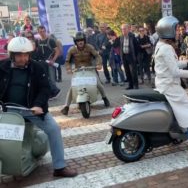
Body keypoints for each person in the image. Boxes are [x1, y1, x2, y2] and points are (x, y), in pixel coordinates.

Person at [0, 37, 78, 177]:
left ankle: (59, 167)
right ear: (12, 55)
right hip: (7, 110)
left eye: (26, 55)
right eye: (19, 55)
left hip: (31, 110)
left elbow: (45, 89)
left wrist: (37, 105)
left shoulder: (37, 67)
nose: (23, 58)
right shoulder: (2, 66)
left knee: (54, 129)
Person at [154, 16, 188, 159]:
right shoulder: (166, 48)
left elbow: (169, 66)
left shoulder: (160, 45)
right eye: (176, 29)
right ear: (168, 31)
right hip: (170, 86)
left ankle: (177, 137)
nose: (179, 32)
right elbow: (174, 72)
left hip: (163, 84)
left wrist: (185, 62)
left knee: (181, 112)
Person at [60, 32, 110, 116]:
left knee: (98, 84)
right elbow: (67, 61)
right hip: (77, 70)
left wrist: (99, 64)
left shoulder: (89, 47)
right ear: (75, 41)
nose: (80, 42)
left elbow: (97, 56)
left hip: (90, 69)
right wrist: (68, 69)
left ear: (84, 40)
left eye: (82, 40)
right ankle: (66, 107)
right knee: (72, 88)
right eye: (78, 40)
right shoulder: (71, 50)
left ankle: (105, 98)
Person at [33, 25, 61, 99]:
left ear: (45, 31)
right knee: (45, 78)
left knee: (52, 78)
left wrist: (53, 60)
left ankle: (55, 92)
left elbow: (57, 51)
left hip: (50, 62)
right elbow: (35, 50)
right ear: (38, 32)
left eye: (43, 31)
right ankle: (51, 93)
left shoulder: (50, 40)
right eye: (40, 31)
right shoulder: (38, 41)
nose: (42, 33)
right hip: (42, 63)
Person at [120, 24, 139, 90]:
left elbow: (137, 47)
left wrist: (135, 56)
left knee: (133, 71)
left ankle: (136, 85)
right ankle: (130, 85)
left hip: (131, 56)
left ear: (128, 29)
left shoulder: (132, 36)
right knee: (127, 71)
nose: (123, 30)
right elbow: (120, 47)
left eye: (124, 29)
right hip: (124, 56)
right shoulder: (121, 37)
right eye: (122, 29)